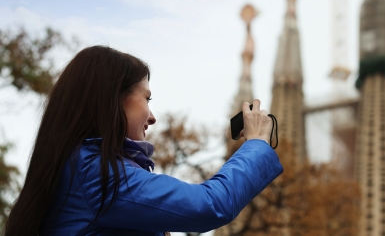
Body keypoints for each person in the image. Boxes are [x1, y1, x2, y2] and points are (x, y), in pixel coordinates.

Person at [5, 46, 283, 235]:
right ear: (112, 99)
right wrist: (256, 143)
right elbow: (210, 204)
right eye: (147, 98)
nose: (152, 116)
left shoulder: (81, 168)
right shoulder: (95, 173)